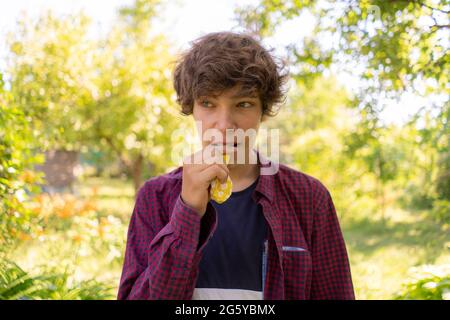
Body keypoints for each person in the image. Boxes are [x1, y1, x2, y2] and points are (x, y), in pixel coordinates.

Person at [117, 31, 354, 300]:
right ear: (191, 108)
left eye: (243, 103)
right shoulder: (155, 198)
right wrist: (188, 212)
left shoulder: (310, 198)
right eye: (208, 103)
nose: (224, 124)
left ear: (262, 112)